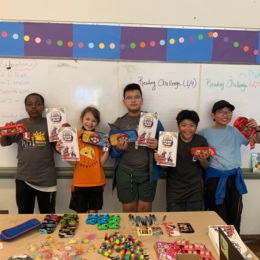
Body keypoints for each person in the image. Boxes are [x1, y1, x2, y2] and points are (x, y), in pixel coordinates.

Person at [199, 100, 260, 233]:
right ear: (213, 115)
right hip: (214, 179)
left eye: (228, 112)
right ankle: (217, 245)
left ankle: (234, 245)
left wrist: (257, 128)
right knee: (216, 214)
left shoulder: (237, 131)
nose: (225, 115)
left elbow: (257, 140)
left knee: (235, 213)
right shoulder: (204, 133)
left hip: (234, 179)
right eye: (221, 112)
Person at [109, 83, 164, 213]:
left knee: (145, 210)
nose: (133, 100)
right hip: (125, 172)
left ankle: (143, 234)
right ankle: (131, 234)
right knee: (129, 209)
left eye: (137, 97)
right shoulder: (118, 123)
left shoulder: (153, 120)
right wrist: (118, 148)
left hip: (148, 172)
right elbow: (112, 152)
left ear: (142, 100)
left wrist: (158, 145)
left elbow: (166, 145)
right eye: (129, 98)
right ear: (124, 102)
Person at [0, 93, 57, 214]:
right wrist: (5, 131)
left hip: (47, 179)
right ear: (25, 107)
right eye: (29, 104)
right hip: (24, 178)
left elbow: (57, 149)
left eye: (38, 104)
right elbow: (4, 143)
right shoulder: (19, 125)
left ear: (43, 106)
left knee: (48, 217)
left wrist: (64, 133)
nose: (34, 107)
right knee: (24, 216)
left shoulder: (50, 125)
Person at [56, 106, 109, 213]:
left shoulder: (100, 138)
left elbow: (102, 163)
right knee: (81, 215)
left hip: (97, 182)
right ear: (81, 119)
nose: (90, 122)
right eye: (87, 119)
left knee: (93, 215)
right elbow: (73, 163)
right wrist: (64, 151)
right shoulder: (75, 136)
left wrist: (107, 146)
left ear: (97, 123)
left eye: (94, 120)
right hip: (80, 183)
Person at [154, 110, 210, 212]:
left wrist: (202, 160)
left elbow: (206, 166)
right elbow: (164, 164)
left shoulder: (201, 141)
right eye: (184, 125)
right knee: (174, 224)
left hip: (195, 191)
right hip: (174, 190)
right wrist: (159, 158)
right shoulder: (170, 139)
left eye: (192, 125)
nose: (188, 129)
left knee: (194, 223)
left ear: (196, 127)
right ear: (178, 126)